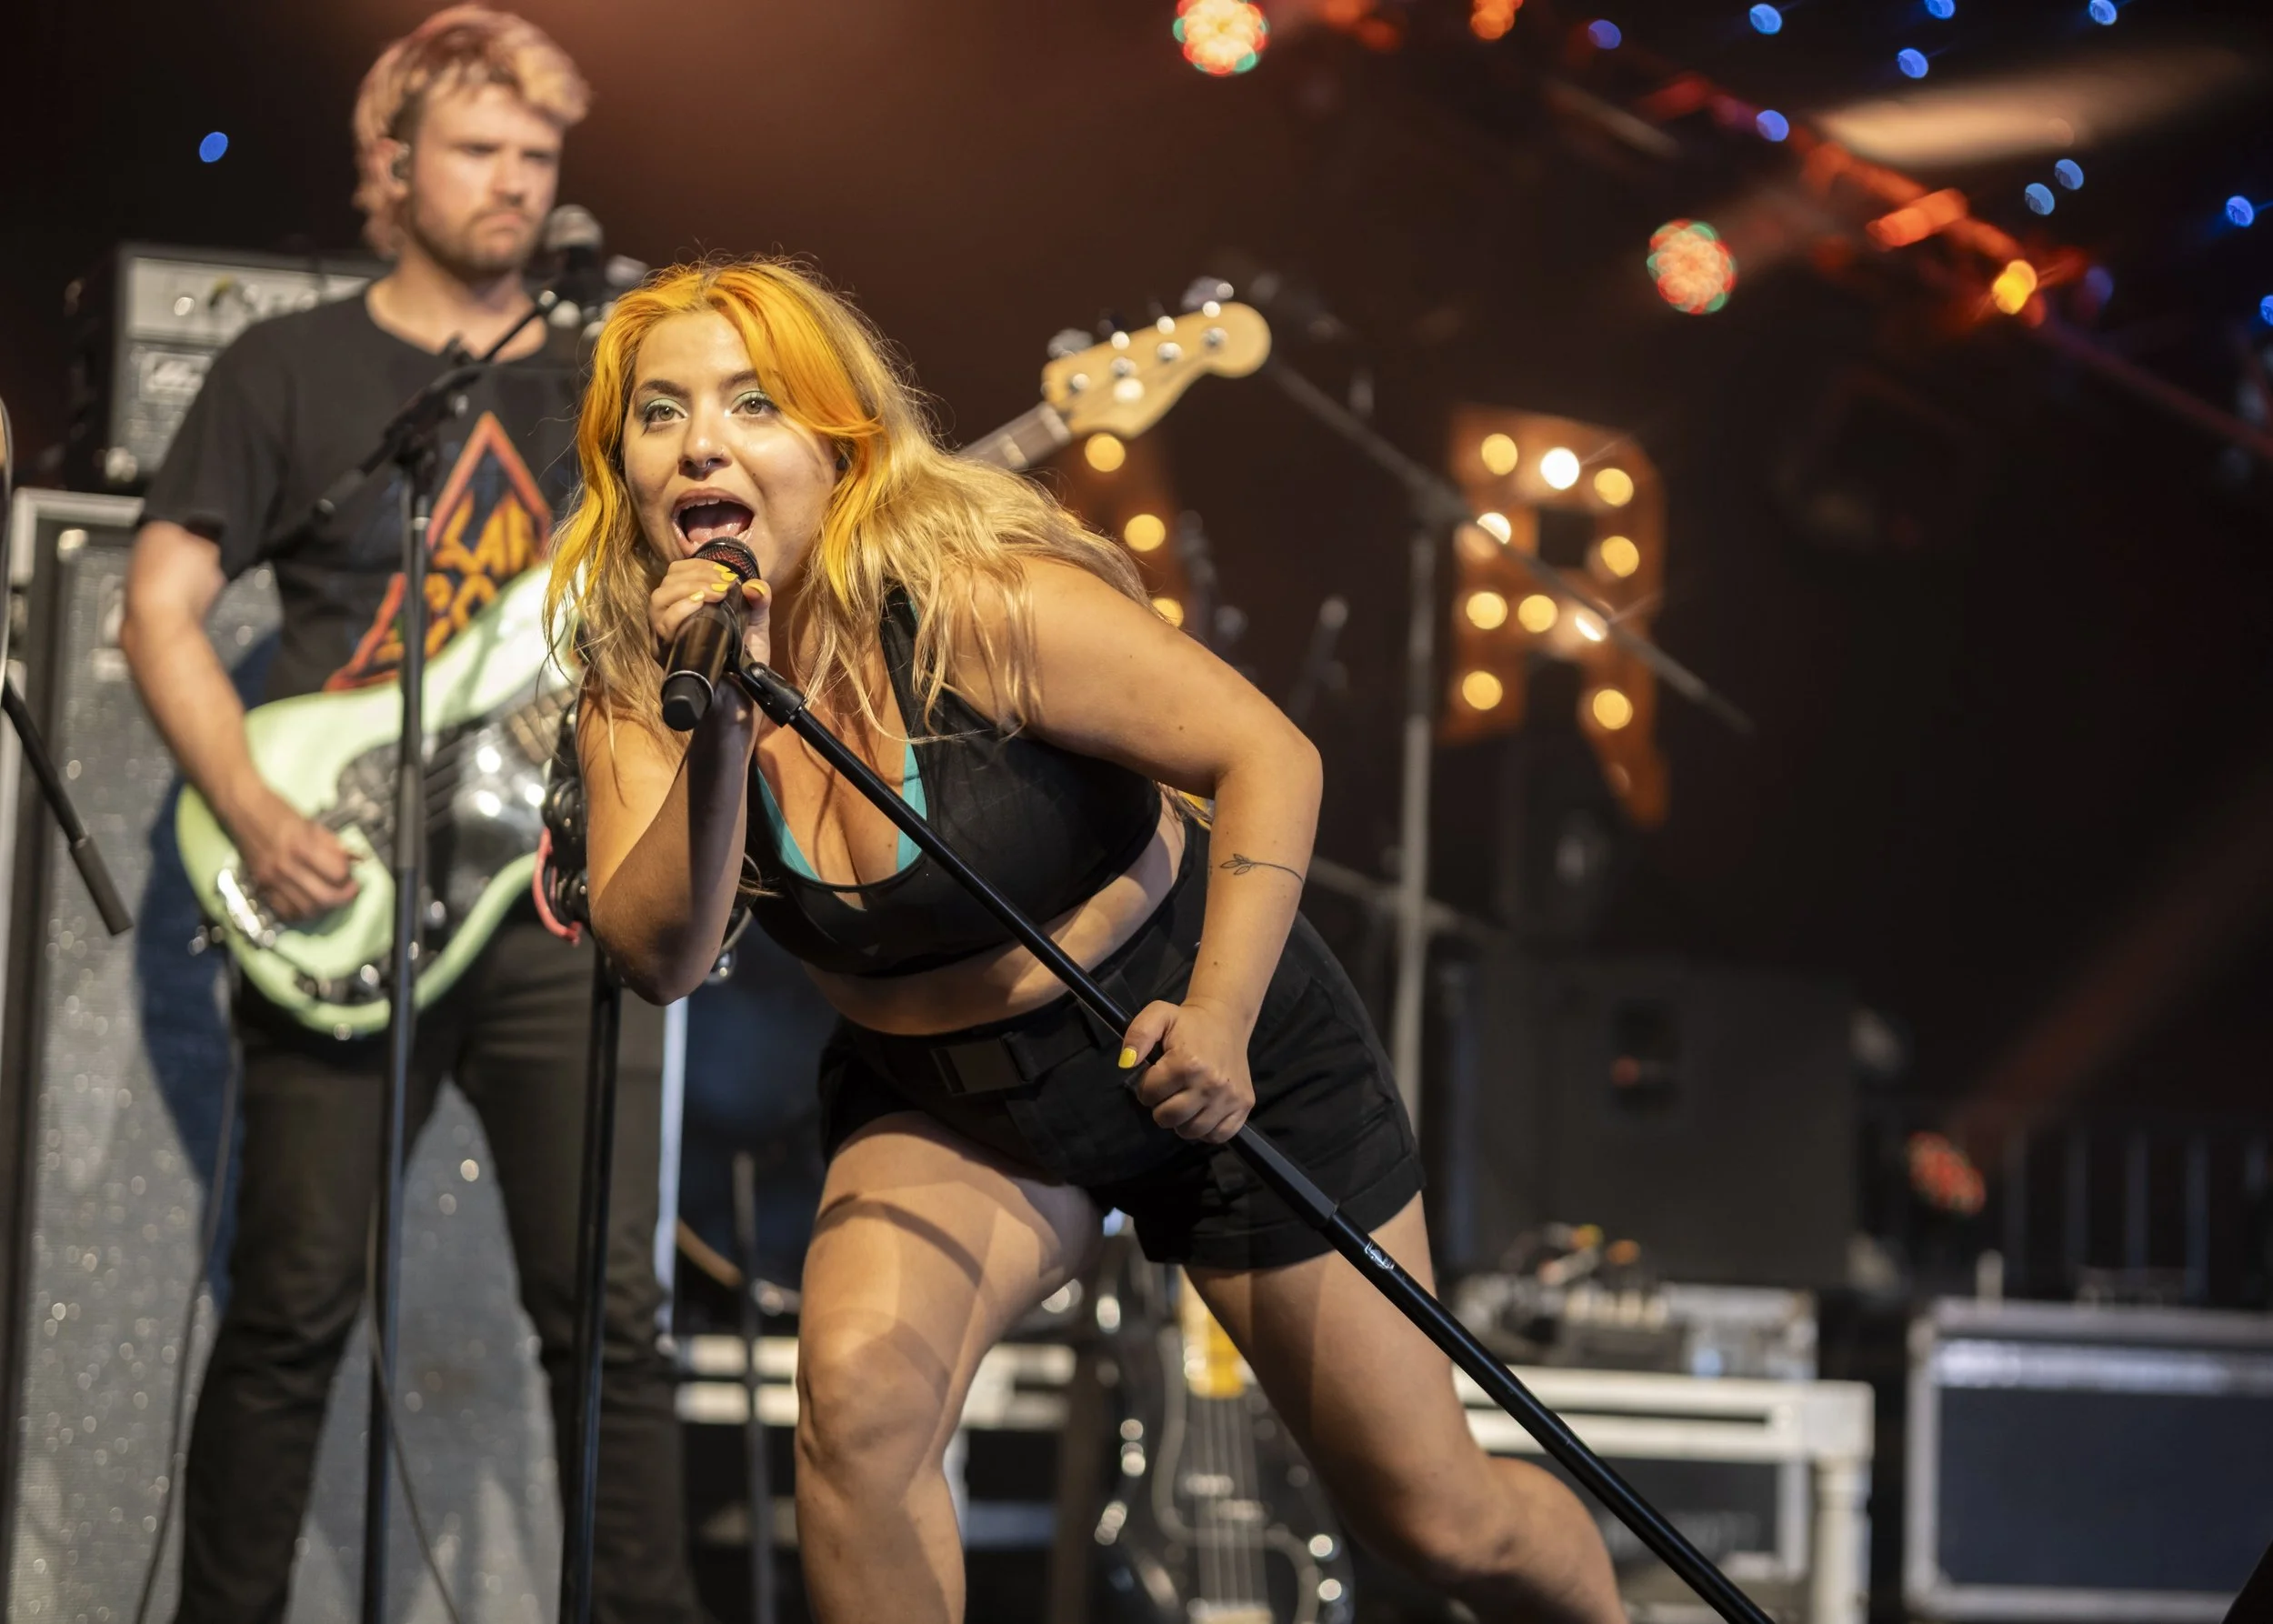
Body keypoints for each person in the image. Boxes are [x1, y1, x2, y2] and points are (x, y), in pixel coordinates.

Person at [554, 257, 1623, 1624]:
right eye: (661, 413)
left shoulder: (974, 600)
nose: (701, 442)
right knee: (860, 1410)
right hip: (950, 1099)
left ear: (839, 442)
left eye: (752, 403)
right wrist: (720, 732)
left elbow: (1267, 754)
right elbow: (656, 956)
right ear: (625, 465)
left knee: (1441, 1521)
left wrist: (1222, 1017)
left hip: (1205, 1030)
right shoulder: (645, 687)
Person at [120, 9, 698, 1620]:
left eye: (539, 154)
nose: (517, 181)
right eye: (479, 150)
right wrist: (251, 807)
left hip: (563, 890)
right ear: (391, 164)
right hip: (344, 870)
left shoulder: (612, 375)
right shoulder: (288, 368)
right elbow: (160, 606)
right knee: (290, 1305)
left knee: (610, 1320)